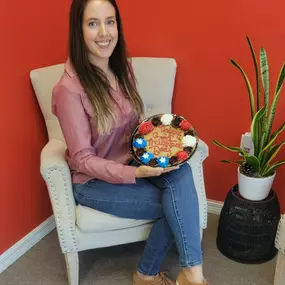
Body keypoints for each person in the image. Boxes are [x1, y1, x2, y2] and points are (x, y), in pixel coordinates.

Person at [52, 0, 209, 284]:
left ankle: (192, 275)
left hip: (132, 161)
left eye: (110, 21)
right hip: (93, 182)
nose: (104, 32)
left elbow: (132, 124)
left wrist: (167, 139)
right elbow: (83, 159)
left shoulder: (121, 67)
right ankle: (147, 275)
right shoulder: (68, 89)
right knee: (173, 203)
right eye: (92, 23)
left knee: (181, 171)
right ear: (78, 30)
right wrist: (135, 173)